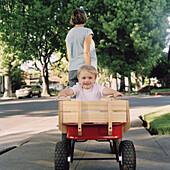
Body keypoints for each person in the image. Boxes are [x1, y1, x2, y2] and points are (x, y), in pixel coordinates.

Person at [66, 8, 97, 87]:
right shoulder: (87, 31)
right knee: (88, 97)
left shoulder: (69, 34)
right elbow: (86, 52)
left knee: (75, 97)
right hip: (84, 70)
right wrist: (89, 70)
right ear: (84, 18)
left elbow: (69, 56)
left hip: (72, 70)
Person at [56, 65, 124, 101]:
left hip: (95, 118)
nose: (87, 80)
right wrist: (64, 92)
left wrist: (113, 92)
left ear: (95, 79)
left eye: (90, 78)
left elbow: (105, 90)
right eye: (84, 78)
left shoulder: (97, 87)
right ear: (79, 79)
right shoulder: (78, 87)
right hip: (81, 118)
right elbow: (71, 91)